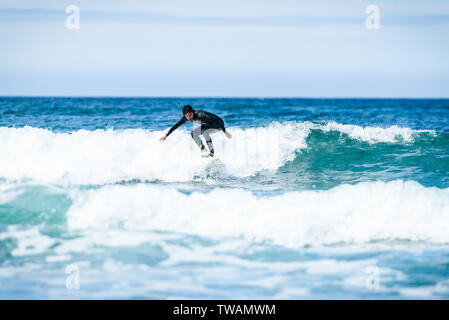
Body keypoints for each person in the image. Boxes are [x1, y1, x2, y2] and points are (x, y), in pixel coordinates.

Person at [160, 105, 232, 157]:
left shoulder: (200, 115)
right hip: (208, 125)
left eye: (190, 115)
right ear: (184, 115)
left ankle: (211, 153)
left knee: (205, 132)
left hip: (218, 124)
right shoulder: (186, 118)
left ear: (193, 112)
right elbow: (176, 125)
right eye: (187, 116)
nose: (189, 118)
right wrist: (166, 135)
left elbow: (216, 120)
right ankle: (203, 149)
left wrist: (225, 131)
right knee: (193, 133)